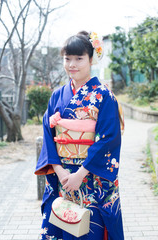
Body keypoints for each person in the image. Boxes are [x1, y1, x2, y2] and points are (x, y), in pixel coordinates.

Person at [35, 31, 124, 240]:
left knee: (90, 231)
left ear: (91, 59)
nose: (72, 64)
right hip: (62, 178)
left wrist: (80, 175)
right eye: (67, 59)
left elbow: (108, 139)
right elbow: (48, 136)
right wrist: (59, 171)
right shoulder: (57, 95)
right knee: (59, 226)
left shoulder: (104, 96)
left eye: (79, 58)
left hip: (91, 178)